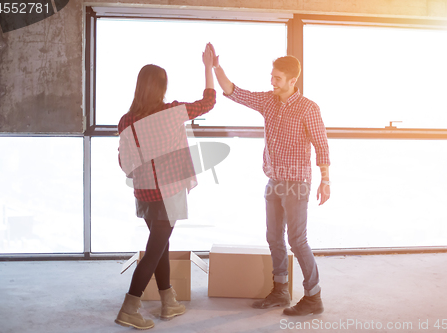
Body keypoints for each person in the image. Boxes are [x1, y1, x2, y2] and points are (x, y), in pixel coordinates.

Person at [210, 45, 330, 316]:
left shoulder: (308, 109)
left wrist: (326, 180)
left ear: (292, 80)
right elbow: (234, 92)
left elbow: (322, 146)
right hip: (274, 181)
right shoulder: (268, 101)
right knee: (274, 238)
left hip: (297, 184)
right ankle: (280, 291)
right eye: (271, 77)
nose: (272, 82)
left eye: (277, 78)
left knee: (297, 241)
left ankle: (314, 296)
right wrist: (216, 67)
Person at [115, 44, 216, 329]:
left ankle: (169, 301)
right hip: (167, 194)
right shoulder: (170, 113)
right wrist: (208, 67)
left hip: (144, 194)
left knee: (160, 246)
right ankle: (129, 307)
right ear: (161, 88)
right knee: (154, 250)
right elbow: (208, 102)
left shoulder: (126, 121)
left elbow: (123, 162)